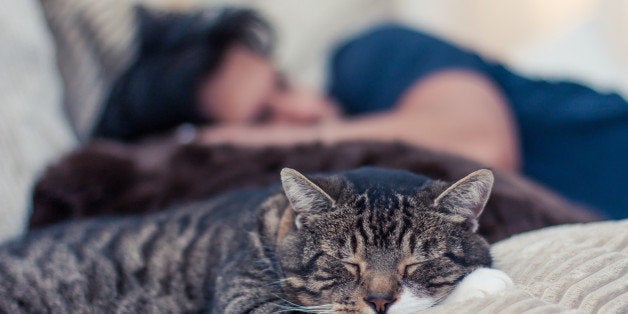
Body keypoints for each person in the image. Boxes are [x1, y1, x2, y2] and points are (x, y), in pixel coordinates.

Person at [93, 7, 628, 219]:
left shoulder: (369, 57)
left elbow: (481, 148)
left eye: (282, 83)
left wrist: (221, 144)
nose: (303, 109)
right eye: (263, 119)